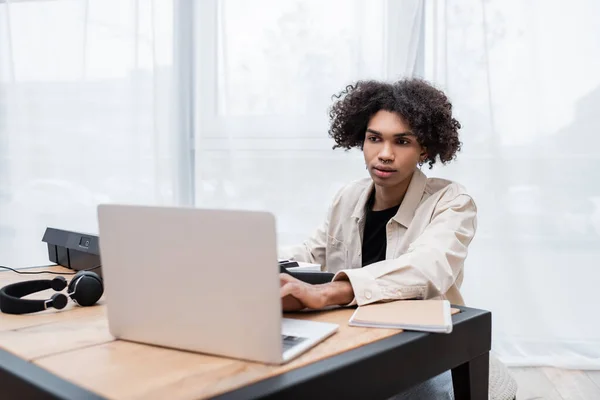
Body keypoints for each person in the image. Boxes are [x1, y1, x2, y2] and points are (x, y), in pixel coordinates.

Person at [278, 77, 477, 399]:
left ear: (423, 148)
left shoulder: (452, 200)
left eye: (402, 141)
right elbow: (312, 252)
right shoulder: (349, 195)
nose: (384, 154)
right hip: (354, 338)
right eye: (374, 139)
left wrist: (331, 292)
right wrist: (253, 257)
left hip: (420, 344)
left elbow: (427, 269)